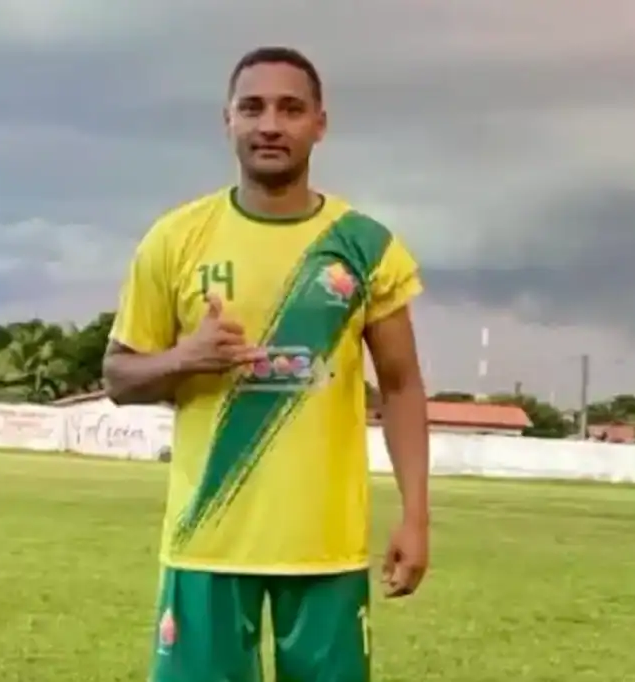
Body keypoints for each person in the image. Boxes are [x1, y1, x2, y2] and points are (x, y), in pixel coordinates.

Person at [103, 46, 430, 682]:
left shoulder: (364, 245)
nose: (270, 124)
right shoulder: (174, 239)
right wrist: (185, 358)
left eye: (290, 108)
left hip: (325, 551)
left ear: (319, 124)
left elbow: (401, 385)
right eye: (252, 108)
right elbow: (118, 377)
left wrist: (415, 518)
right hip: (206, 546)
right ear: (227, 121)